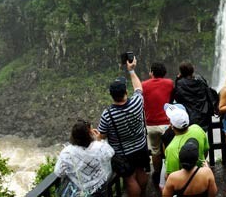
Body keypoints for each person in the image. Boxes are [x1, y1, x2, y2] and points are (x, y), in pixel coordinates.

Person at [98, 57, 150, 197]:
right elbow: (139, 88)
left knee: (130, 179)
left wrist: (95, 134)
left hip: (122, 153)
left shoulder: (107, 114)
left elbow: (101, 137)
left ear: (112, 96)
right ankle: (144, 193)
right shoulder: (137, 103)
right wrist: (131, 70)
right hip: (140, 146)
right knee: (141, 171)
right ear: (126, 92)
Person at [54, 120, 114, 196]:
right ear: (89, 134)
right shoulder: (99, 146)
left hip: (81, 189)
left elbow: (58, 172)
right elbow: (110, 153)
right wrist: (99, 139)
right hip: (100, 185)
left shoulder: (67, 153)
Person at [142, 62, 174, 182]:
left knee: (155, 151)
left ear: (152, 72)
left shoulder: (144, 85)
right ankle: (170, 173)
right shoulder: (169, 83)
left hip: (151, 125)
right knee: (170, 149)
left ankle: (157, 173)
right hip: (166, 124)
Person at [163, 103, 209, 176]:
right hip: (201, 174)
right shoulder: (198, 129)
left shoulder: (171, 148)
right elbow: (205, 151)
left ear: (171, 125)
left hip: (183, 181)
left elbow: (171, 175)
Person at [173, 62, 212, 131]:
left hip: (189, 118)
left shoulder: (180, 84)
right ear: (193, 70)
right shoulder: (200, 80)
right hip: (203, 116)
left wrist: (177, 79)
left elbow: (177, 98)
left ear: (181, 72)